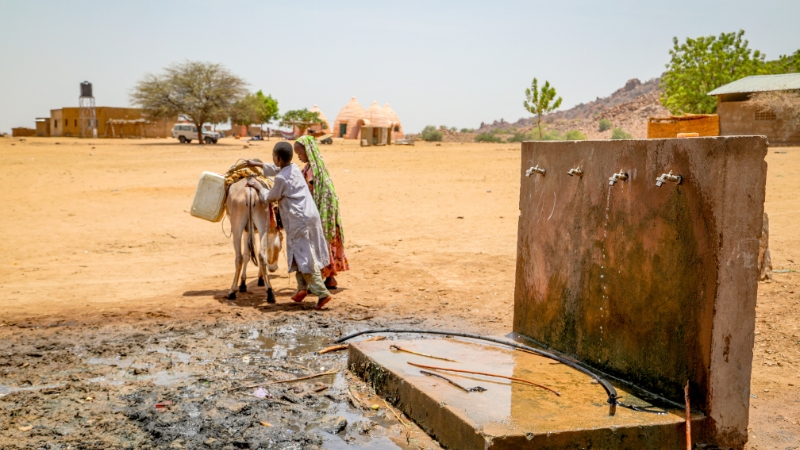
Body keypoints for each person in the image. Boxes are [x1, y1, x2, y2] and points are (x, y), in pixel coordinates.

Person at [244, 142, 332, 310]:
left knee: (305, 256)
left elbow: (270, 197)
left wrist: (257, 186)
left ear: (277, 158)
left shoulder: (281, 178)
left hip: (298, 220)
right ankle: (301, 289)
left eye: (273, 157)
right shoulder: (295, 170)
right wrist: (258, 164)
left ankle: (322, 293)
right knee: (302, 252)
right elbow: (277, 169)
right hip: (310, 215)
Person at [294, 135, 349, 289]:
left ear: (309, 152)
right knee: (324, 242)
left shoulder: (314, 171)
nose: (299, 157)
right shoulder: (310, 167)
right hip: (324, 211)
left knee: (319, 242)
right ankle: (329, 278)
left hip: (322, 212)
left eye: (300, 154)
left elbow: (316, 193)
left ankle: (321, 281)